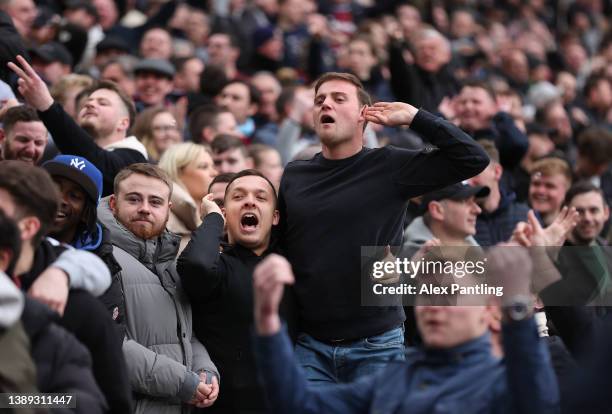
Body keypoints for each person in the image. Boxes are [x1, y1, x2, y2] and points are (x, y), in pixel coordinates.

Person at [277, 72, 489, 384]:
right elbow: (284, 247)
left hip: (375, 344)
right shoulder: (295, 175)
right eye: (320, 100)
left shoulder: (389, 165)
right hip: (311, 345)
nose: (326, 106)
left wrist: (416, 118)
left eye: (338, 99)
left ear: (364, 114)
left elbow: (472, 158)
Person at [250, 248, 559, 414]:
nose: (433, 307)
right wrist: (267, 321)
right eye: (427, 295)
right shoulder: (397, 376)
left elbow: (537, 403)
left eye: (448, 296)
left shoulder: (501, 382)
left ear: (488, 310)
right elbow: (300, 405)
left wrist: (517, 308)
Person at [0, 160, 130, 414]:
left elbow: (101, 401)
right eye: (54, 187)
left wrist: (11, 402)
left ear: (29, 227)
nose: (62, 200)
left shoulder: (79, 308)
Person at [97, 163, 219, 412]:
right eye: (133, 199)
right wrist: (182, 382)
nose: (144, 208)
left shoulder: (171, 264)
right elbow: (104, 343)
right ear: (113, 204)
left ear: (168, 209)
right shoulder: (99, 257)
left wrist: (205, 371)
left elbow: (185, 334)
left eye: (155, 202)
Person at [178, 170, 282, 413]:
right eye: (237, 197)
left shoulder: (289, 264)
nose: (249, 201)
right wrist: (213, 218)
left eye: (261, 197)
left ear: (275, 217)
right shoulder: (219, 266)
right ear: (225, 214)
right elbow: (196, 265)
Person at [8, 55, 148, 196]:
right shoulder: (59, 151)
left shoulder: (135, 159)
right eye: (88, 102)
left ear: (123, 123)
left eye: (103, 103)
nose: (90, 104)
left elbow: (98, 163)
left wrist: (47, 106)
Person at [468, 140, 530, 245]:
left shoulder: (526, 216)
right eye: (464, 175)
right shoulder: (462, 221)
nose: (468, 181)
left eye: (474, 172)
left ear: (497, 172)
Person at [158, 143, 218, 252]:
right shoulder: (164, 221)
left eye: (213, 166)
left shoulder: (212, 215)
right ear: (177, 173)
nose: (214, 173)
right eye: (204, 167)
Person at [403, 183, 488, 248]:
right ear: (436, 210)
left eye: (474, 202)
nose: (478, 210)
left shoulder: (475, 253)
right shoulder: (416, 262)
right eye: (464, 201)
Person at [529, 157, 573, 226]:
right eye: (536, 184)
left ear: (566, 191)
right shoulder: (516, 224)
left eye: (549, 186)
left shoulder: (574, 230)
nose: (540, 191)